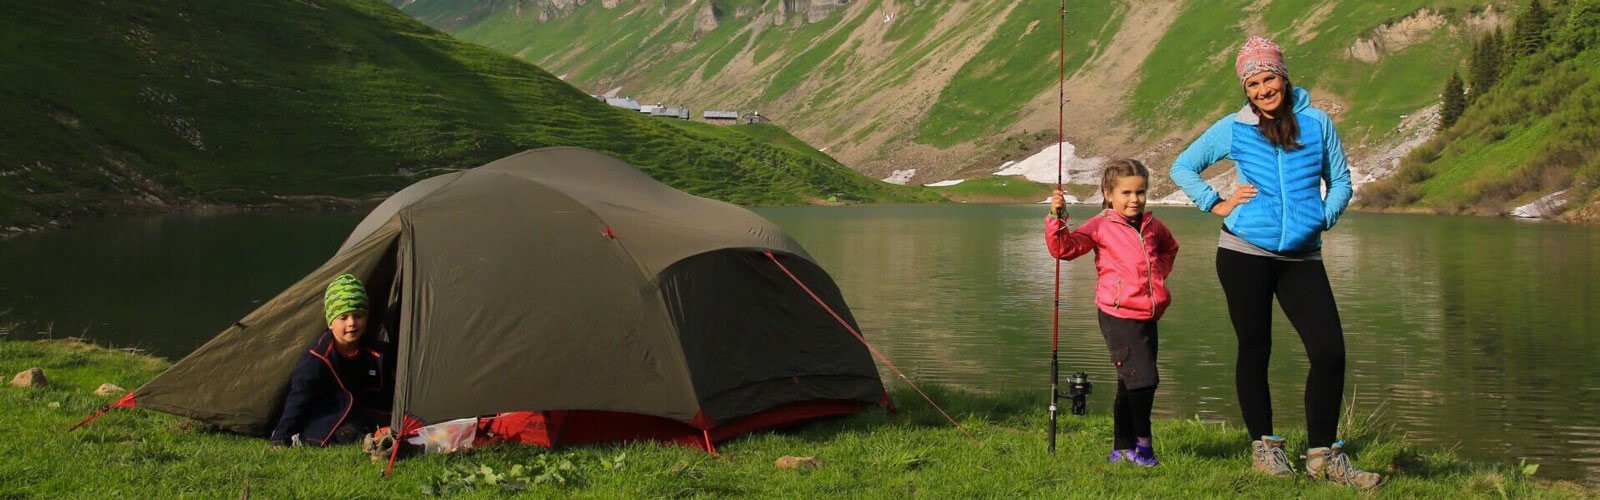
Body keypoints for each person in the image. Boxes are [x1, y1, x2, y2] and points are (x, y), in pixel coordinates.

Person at [1168, 36, 1379, 488]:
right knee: (1255, 349)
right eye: (1253, 83)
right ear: (1245, 89)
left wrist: (1323, 216)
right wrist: (1215, 202)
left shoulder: (1317, 123)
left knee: (1329, 351)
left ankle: (1323, 455)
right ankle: (1265, 449)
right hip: (1244, 253)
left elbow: (1340, 179)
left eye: (1269, 79)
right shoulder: (1234, 127)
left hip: (1302, 255)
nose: (1263, 90)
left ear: (1284, 78)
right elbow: (1183, 166)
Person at [1045, 159, 1178, 467]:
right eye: (1127, 193)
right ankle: (1144, 447)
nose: (1135, 199)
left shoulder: (1153, 225)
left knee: (1128, 381)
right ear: (1108, 193)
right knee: (1145, 380)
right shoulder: (1101, 225)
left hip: (1149, 314)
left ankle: (1121, 449)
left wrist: (1157, 276)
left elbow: (1170, 249)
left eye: (1141, 192)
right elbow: (1064, 249)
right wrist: (1057, 217)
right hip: (1117, 314)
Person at [269, 273, 391, 447]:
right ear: (330, 322)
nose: (351, 323)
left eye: (358, 316)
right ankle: (298, 437)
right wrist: (281, 436)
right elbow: (299, 397)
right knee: (347, 434)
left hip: (361, 414)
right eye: (343, 317)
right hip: (328, 418)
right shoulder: (317, 357)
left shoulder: (375, 352)